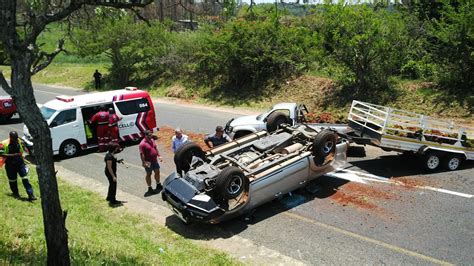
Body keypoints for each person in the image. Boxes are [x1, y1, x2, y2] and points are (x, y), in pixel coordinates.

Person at [0, 131, 36, 201]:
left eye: (16, 138)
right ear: (10, 137)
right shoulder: (4, 143)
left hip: (20, 164)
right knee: (12, 180)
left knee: (25, 178)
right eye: (14, 138)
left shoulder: (19, 141)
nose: (16, 140)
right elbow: (1, 154)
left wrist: (26, 149)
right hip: (10, 165)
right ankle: (16, 194)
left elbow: (25, 148)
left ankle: (31, 195)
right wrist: (13, 155)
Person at [139, 130, 163, 196]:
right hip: (148, 162)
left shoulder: (152, 140)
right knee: (149, 174)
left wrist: (159, 155)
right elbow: (142, 154)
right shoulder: (142, 144)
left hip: (154, 161)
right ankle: (149, 188)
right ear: (145, 135)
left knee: (157, 172)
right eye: (149, 135)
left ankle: (158, 184)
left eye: (151, 135)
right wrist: (144, 163)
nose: (151, 136)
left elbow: (155, 148)